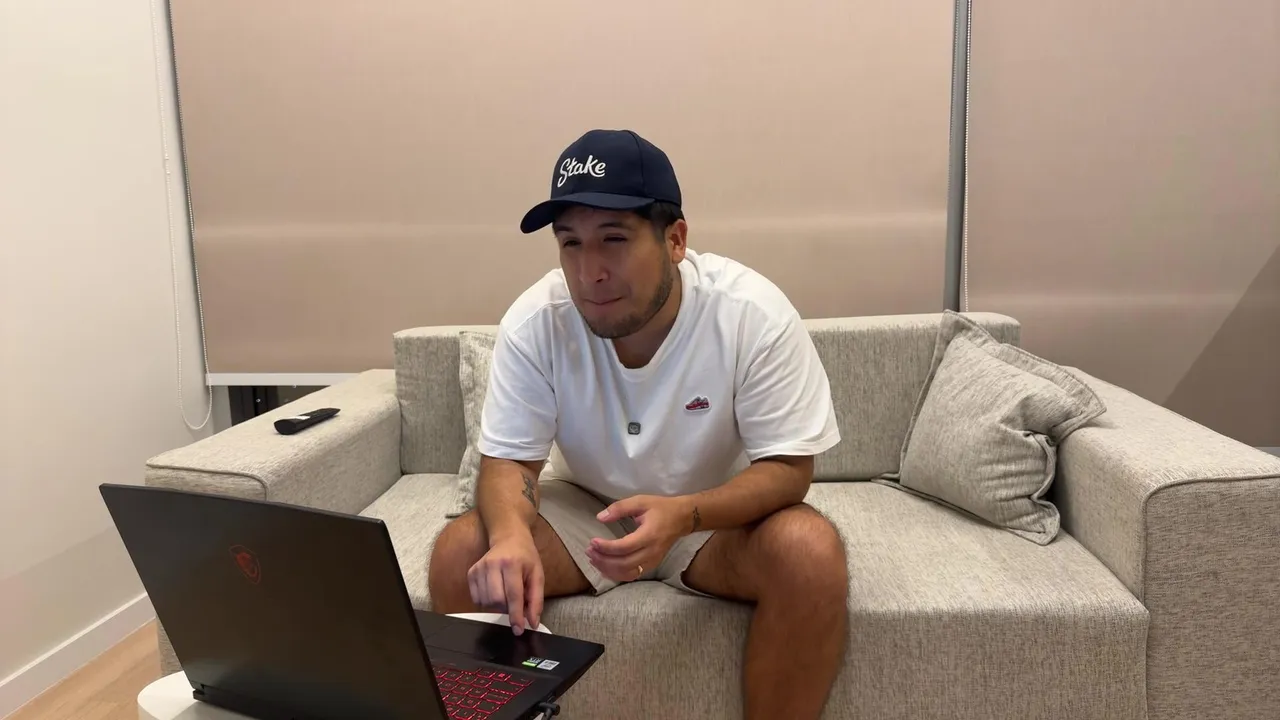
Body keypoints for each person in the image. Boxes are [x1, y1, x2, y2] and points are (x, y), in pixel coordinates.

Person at [428, 129, 848, 719]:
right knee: (461, 554)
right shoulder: (537, 321)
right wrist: (511, 536)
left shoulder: (751, 314)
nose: (589, 271)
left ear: (675, 239)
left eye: (614, 239)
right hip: (587, 509)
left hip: (711, 518)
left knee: (809, 551)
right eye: (571, 243)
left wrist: (684, 514)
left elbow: (788, 468)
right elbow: (511, 461)